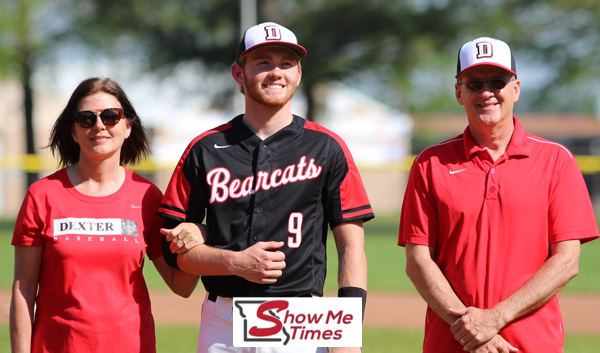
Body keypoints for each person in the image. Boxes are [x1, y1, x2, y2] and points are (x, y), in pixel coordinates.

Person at [159, 22, 374, 353]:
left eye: (286, 63)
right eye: (263, 62)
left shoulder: (327, 147)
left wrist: (347, 333)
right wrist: (234, 262)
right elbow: (176, 258)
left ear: (298, 74)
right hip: (224, 320)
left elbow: (352, 248)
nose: (276, 72)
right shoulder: (204, 149)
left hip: (301, 317)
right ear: (238, 73)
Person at [398, 37, 600, 353]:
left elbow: (567, 260)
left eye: (497, 82)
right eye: (474, 83)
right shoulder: (430, 163)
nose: (487, 92)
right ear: (458, 91)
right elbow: (418, 260)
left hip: (533, 345)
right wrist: (470, 331)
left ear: (515, 89)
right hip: (452, 344)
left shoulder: (556, 160)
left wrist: (494, 319)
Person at [10, 77, 203, 353]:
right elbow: (24, 290)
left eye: (111, 116)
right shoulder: (42, 196)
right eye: (86, 118)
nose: (99, 125)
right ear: (74, 131)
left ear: (127, 127)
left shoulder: (147, 196)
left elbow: (180, 285)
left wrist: (201, 234)